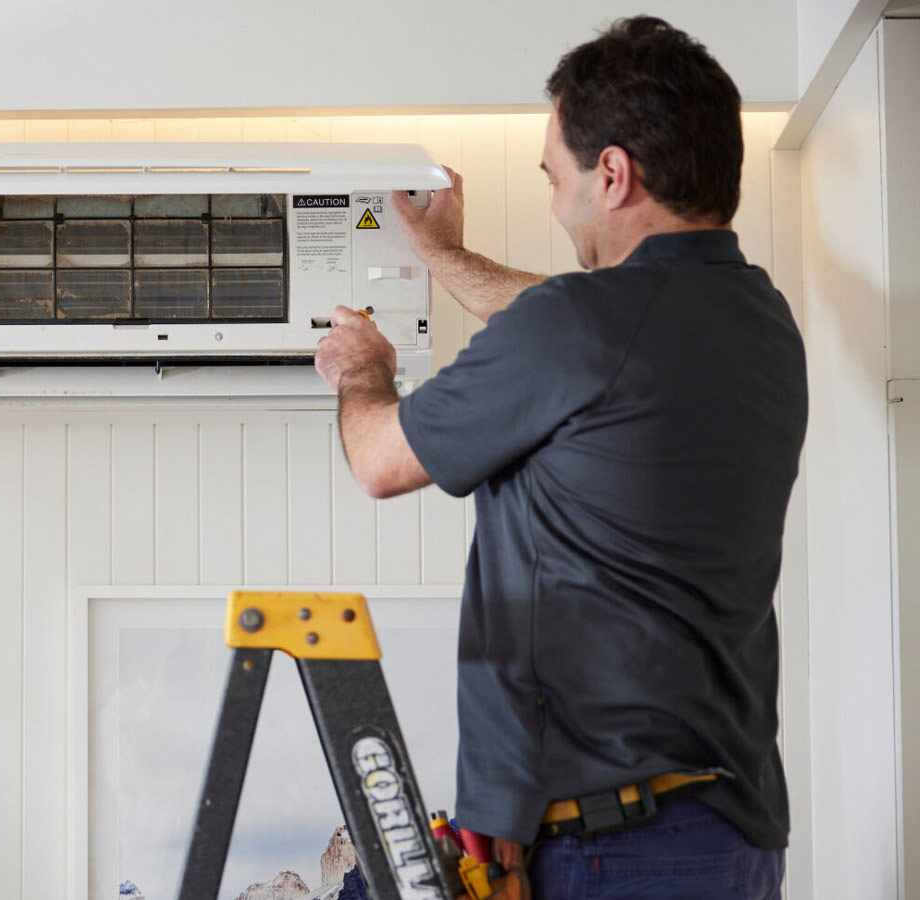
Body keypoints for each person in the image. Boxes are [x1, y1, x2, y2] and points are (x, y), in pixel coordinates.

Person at [314, 16, 805, 900]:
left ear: (612, 174)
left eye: (554, 176)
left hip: (615, 850)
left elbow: (379, 461)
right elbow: (565, 316)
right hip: (726, 832)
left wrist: (363, 370)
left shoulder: (583, 331)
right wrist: (443, 255)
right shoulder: (759, 322)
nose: (552, 199)